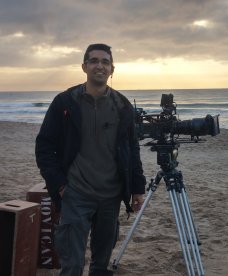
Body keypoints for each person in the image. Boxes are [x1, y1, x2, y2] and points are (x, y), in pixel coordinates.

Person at [35, 43, 146, 276]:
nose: (100, 66)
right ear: (84, 67)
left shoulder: (123, 106)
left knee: (100, 264)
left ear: (112, 69)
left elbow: (131, 149)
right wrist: (59, 185)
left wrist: (137, 188)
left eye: (105, 62)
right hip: (76, 194)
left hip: (111, 196)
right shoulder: (65, 102)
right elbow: (44, 146)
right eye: (94, 61)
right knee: (72, 265)